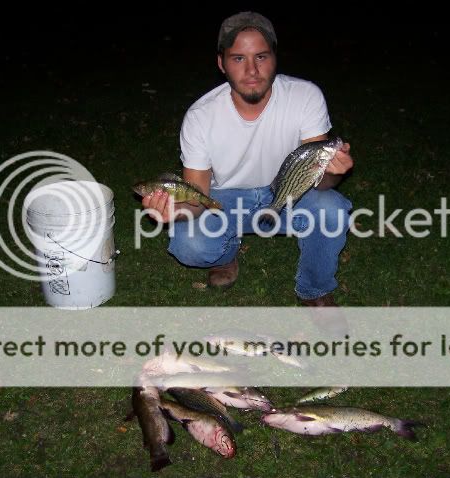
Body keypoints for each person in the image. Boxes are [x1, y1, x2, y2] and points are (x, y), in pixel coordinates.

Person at [142, 11, 354, 306]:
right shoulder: (201, 117)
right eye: (239, 58)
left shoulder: (305, 96)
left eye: (261, 57)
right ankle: (226, 254)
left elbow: (319, 180)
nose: (252, 70)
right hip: (224, 199)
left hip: (287, 193)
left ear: (275, 59)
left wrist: (335, 172)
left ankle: (314, 290)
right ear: (222, 64)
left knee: (332, 211)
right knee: (189, 243)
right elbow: (198, 197)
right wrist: (174, 212)